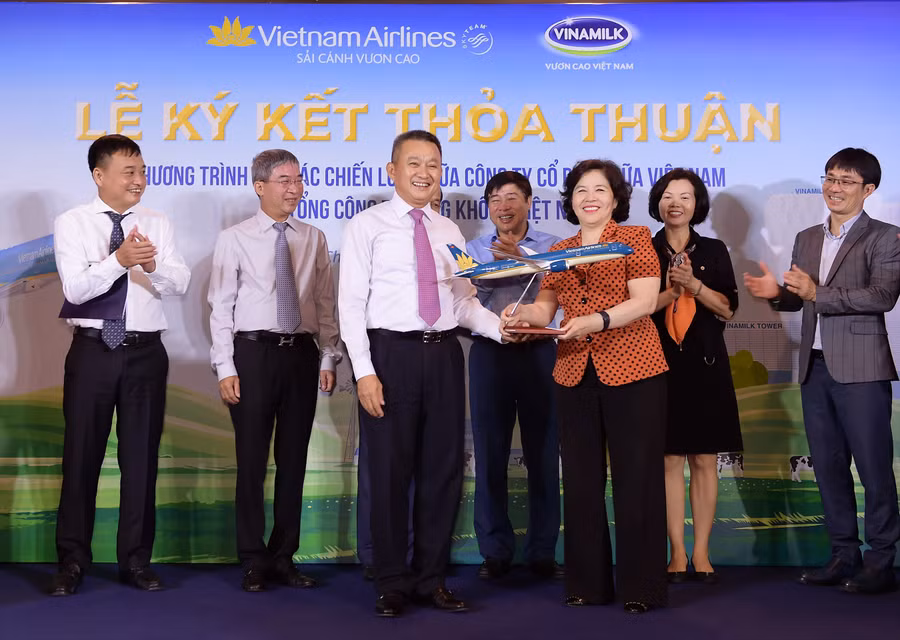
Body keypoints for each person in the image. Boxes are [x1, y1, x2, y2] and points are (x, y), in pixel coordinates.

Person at [338, 130, 504, 618]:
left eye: (433, 164)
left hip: (444, 356)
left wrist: (501, 329)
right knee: (389, 474)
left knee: (442, 472)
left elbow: (464, 301)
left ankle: (432, 579)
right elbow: (350, 305)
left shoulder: (450, 230)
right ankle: (391, 582)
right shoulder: (365, 226)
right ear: (393, 170)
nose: (424, 173)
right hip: (390, 357)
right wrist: (364, 372)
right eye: (414, 163)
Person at [502, 159, 668, 614]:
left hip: (634, 370)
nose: (589, 197)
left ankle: (642, 589)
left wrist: (596, 321)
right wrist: (520, 316)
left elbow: (645, 301)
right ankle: (587, 584)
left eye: (599, 190)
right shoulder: (561, 249)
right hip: (574, 373)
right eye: (580, 190)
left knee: (637, 481)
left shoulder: (635, 239)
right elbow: (544, 307)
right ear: (571, 201)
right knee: (579, 481)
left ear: (615, 199)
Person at [744, 148, 900, 594]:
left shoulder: (886, 237)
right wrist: (778, 293)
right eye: (830, 178)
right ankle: (843, 556)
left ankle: (881, 561)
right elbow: (800, 298)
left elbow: (882, 296)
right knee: (829, 468)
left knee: (873, 470)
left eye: (846, 181)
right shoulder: (807, 237)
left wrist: (818, 292)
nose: (834, 187)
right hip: (814, 368)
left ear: (868, 190)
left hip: (862, 370)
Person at [51, 134, 191, 595]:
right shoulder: (72, 223)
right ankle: (72, 562)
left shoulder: (158, 222)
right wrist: (117, 260)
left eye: (142, 171)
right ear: (99, 175)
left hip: (146, 353)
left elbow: (180, 283)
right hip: (93, 351)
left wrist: (151, 267)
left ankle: (135, 561)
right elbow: (75, 290)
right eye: (129, 171)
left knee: (140, 460)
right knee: (81, 457)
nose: (139, 180)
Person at [208, 149, 341, 592]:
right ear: (260, 186)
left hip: (300, 355)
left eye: (299, 180)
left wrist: (328, 355)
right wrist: (224, 366)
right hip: (252, 355)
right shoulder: (235, 238)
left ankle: (284, 556)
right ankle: (252, 558)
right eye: (285, 180)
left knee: (293, 460)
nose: (295, 188)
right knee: (251, 461)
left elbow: (325, 301)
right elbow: (221, 305)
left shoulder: (314, 236)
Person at [466, 171, 562, 580]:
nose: (502, 207)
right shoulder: (473, 249)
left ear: (528, 202)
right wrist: (494, 268)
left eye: (510, 198)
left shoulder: (552, 246)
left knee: (544, 454)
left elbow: (558, 293)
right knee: (490, 454)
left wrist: (522, 260)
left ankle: (542, 552)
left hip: (541, 353)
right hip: (491, 354)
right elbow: (469, 302)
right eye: (494, 200)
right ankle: (495, 551)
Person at [648, 169, 743, 583]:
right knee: (668, 459)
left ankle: (702, 552)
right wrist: (670, 291)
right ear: (658, 203)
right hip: (656, 364)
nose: (676, 204)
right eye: (668, 196)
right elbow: (636, 306)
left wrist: (694, 285)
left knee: (704, 459)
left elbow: (728, 309)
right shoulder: (643, 248)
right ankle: (677, 552)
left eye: (685, 197)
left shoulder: (714, 250)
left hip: (705, 366)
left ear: (696, 205)